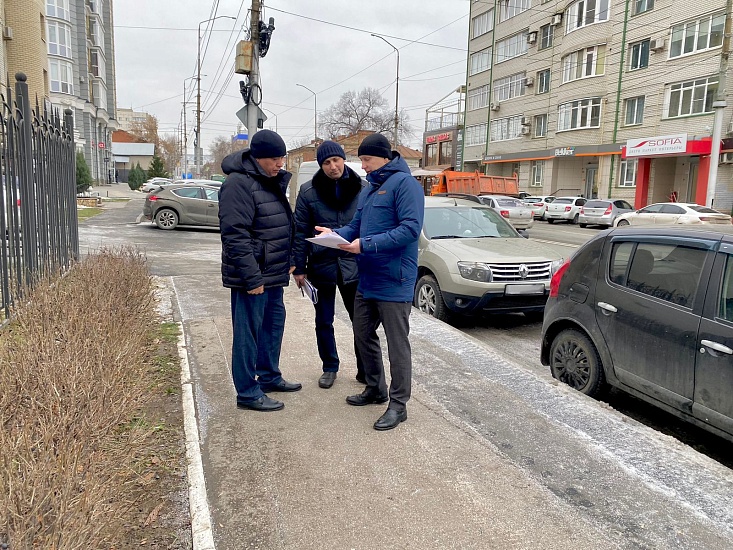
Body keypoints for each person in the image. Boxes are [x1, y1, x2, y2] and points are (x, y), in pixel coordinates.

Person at [315, 133, 424, 431]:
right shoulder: (370, 189)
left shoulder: (405, 185)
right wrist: (334, 235)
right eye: (361, 160)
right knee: (363, 334)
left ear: (384, 157)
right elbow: (356, 225)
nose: (362, 166)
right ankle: (376, 388)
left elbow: (411, 229)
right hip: (368, 278)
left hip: (395, 278)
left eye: (367, 159)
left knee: (397, 345)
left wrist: (366, 245)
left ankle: (399, 404)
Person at [218, 129, 302, 412]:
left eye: (282, 158)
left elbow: (282, 223)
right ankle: (248, 392)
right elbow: (234, 234)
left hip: (274, 272)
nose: (281, 164)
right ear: (258, 157)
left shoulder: (268, 179)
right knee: (248, 334)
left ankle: (268, 376)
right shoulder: (238, 184)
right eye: (275, 159)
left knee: (272, 327)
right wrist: (251, 277)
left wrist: (289, 257)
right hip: (252, 276)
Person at [293, 141, 366, 389]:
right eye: (326, 162)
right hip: (321, 265)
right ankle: (329, 367)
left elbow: (370, 226)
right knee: (324, 320)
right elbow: (300, 232)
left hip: (353, 265)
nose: (333, 166)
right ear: (320, 165)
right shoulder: (308, 191)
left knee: (361, 320)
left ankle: (365, 368)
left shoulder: (362, 188)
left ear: (343, 159)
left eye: (336, 160)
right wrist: (299, 268)